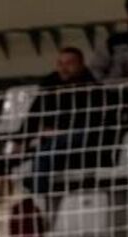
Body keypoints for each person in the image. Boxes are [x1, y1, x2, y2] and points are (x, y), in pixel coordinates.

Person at [29, 47, 105, 192]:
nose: (64, 68)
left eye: (69, 63)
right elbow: (34, 114)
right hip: (52, 137)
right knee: (11, 150)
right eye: (60, 63)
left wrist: (59, 132)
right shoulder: (50, 83)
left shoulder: (91, 87)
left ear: (81, 65)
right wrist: (19, 141)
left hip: (82, 137)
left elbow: (92, 122)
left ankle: (38, 198)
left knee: (43, 153)